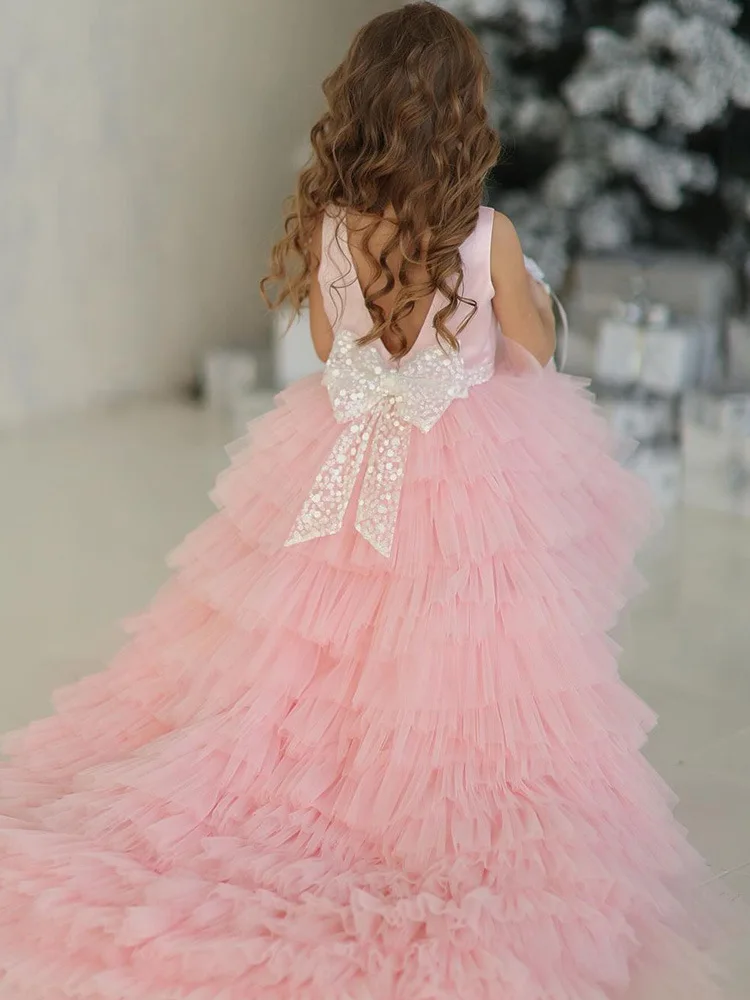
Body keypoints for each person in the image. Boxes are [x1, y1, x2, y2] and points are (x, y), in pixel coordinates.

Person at [0, 4, 733, 997]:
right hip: (467, 460)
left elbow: (324, 346)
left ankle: (328, 756)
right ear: (463, 117)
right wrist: (519, 292)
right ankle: (427, 762)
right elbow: (535, 350)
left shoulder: (336, 225)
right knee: (459, 616)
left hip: (347, 449)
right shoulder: (487, 233)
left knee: (334, 617)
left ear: (361, 112)